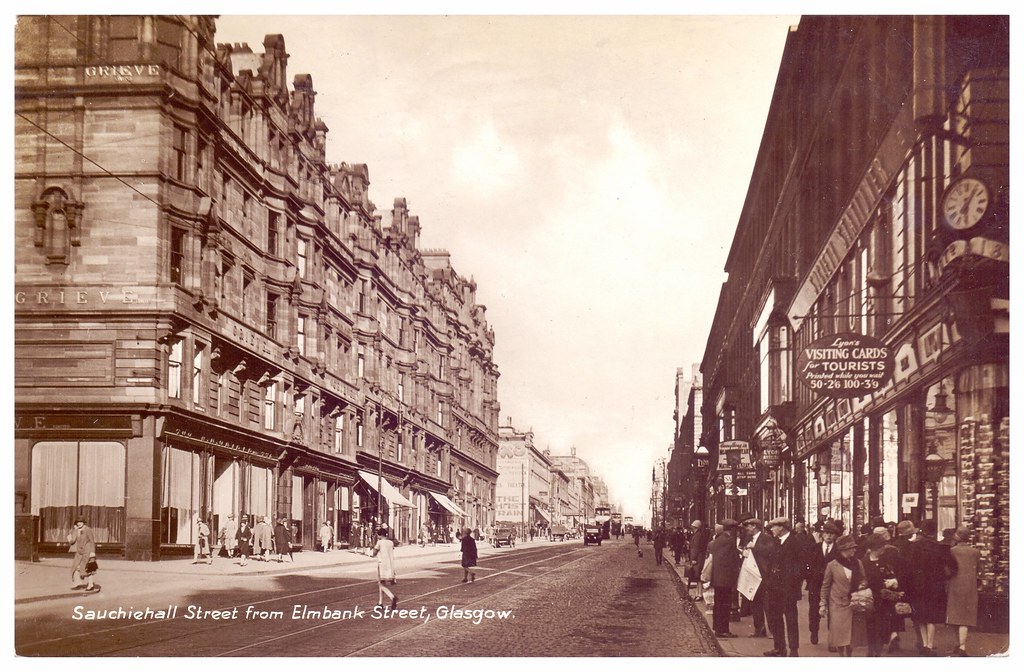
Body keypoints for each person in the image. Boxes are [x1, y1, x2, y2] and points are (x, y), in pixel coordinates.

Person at [905, 519, 957, 655]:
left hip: (918, 585)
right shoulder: (940, 547)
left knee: (921, 616)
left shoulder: (915, 546)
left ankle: (924, 643)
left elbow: (910, 566)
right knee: (932, 617)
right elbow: (952, 567)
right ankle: (929, 644)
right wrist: (945, 577)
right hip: (935, 585)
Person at [762, 516, 810, 657]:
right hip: (774, 588)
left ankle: (793, 649)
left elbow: (801, 566)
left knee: (790, 619)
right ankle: (779, 647)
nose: (771, 530)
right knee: (775, 617)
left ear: (781, 527)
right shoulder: (776, 542)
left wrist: (791, 581)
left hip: (788, 588)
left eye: (774, 527)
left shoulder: (795, 542)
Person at [861, 532, 900, 657]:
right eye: (882, 546)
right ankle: (871, 649)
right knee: (870, 626)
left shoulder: (885, 561)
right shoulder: (863, 562)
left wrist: (892, 582)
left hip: (884, 600)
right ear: (874, 548)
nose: (884, 548)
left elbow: (892, 576)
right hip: (869, 600)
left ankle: (877, 651)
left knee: (882, 626)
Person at [820, 534, 859, 656]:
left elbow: (863, 579)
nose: (854, 550)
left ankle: (849, 656)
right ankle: (842, 657)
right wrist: (823, 604)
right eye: (852, 547)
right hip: (837, 603)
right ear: (844, 550)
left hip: (853, 602)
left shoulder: (857, 563)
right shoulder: (832, 565)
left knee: (851, 635)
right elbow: (825, 586)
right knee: (840, 634)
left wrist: (862, 585)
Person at [946, 526, 980, 656]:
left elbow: (948, 570)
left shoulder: (951, 551)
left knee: (955, 616)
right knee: (966, 617)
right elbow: (977, 569)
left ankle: (960, 645)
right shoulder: (975, 552)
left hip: (954, 585)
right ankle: (962, 646)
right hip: (970, 586)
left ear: (956, 536)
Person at [706, 519, 742, 638]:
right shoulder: (729, 540)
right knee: (725, 605)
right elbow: (730, 559)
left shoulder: (718, 539)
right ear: (731, 529)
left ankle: (718, 628)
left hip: (718, 578)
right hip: (725, 578)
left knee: (718, 604)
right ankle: (724, 630)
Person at [806, 520, 840, 648]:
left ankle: (832, 640)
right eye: (826, 533)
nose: (829, 536)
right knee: (814, 610)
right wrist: (810, 577)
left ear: (835, 535)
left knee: (833, 612)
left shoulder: (838, 549)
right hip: (815, 584)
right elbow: (807, 563)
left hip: (833, 585)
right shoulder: (814, 548)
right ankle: (814, 631)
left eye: (831, 533)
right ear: (822, 534)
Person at [741, 516, 773, 639]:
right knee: (755, 604)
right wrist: (744, 552)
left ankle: (772, 631)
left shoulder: (766, 538)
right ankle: (759, 630)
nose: (747, 529)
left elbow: (770, 551)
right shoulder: (749, 538)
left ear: (754, 526)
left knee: (768, 605)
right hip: (752, 576)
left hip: (764, 576)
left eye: (748, 526)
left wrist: (754, 547)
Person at [67, 516, 98, 592]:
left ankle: (90, 585)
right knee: (76, 566)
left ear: (84, 522)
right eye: (77, 522)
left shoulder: (88, 530)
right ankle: (78, 583)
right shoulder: (76, 530)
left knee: (88, 568)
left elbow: (92, 541)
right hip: (79, 552)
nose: (79, 523)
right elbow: (72, 541)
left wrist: (92, 552)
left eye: (81, 522)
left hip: (87, 551)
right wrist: (73, 531)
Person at [372, 526, 398, 608]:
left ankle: (392, 597)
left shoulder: (379, 542)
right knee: (382, 583)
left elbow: (374, 553)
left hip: (382, 564)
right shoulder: (390, 543)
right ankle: (380, 603)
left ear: (380, 535)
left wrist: (371, 551)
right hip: (390, 564)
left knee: (381, 584)